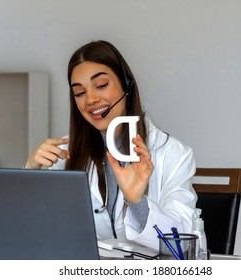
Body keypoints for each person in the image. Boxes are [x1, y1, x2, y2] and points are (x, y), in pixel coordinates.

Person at [24, 40, 197, 251]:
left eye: (101, 85)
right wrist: (29, 174)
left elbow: (182, 245)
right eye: (79, 93)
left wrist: (137, 203)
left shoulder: (173, 154)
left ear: (126, 85)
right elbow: (32, 232)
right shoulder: (64, 155)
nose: (90, 100)